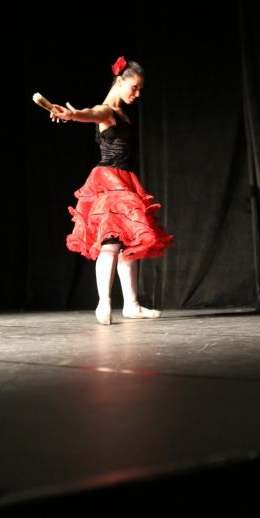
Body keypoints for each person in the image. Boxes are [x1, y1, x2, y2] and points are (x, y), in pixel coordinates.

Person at [50, 56, 173, 325]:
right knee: (111, 244)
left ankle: (132, 304)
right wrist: (72, 114)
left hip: (125, 181)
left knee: (129, 245)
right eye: (134, 87)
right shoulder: (106, 110)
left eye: (140, 89)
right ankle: (103, 304)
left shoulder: (122, 114)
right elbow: (90, 114)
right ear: (120, 81)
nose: (137, 93)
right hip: (109, 181)